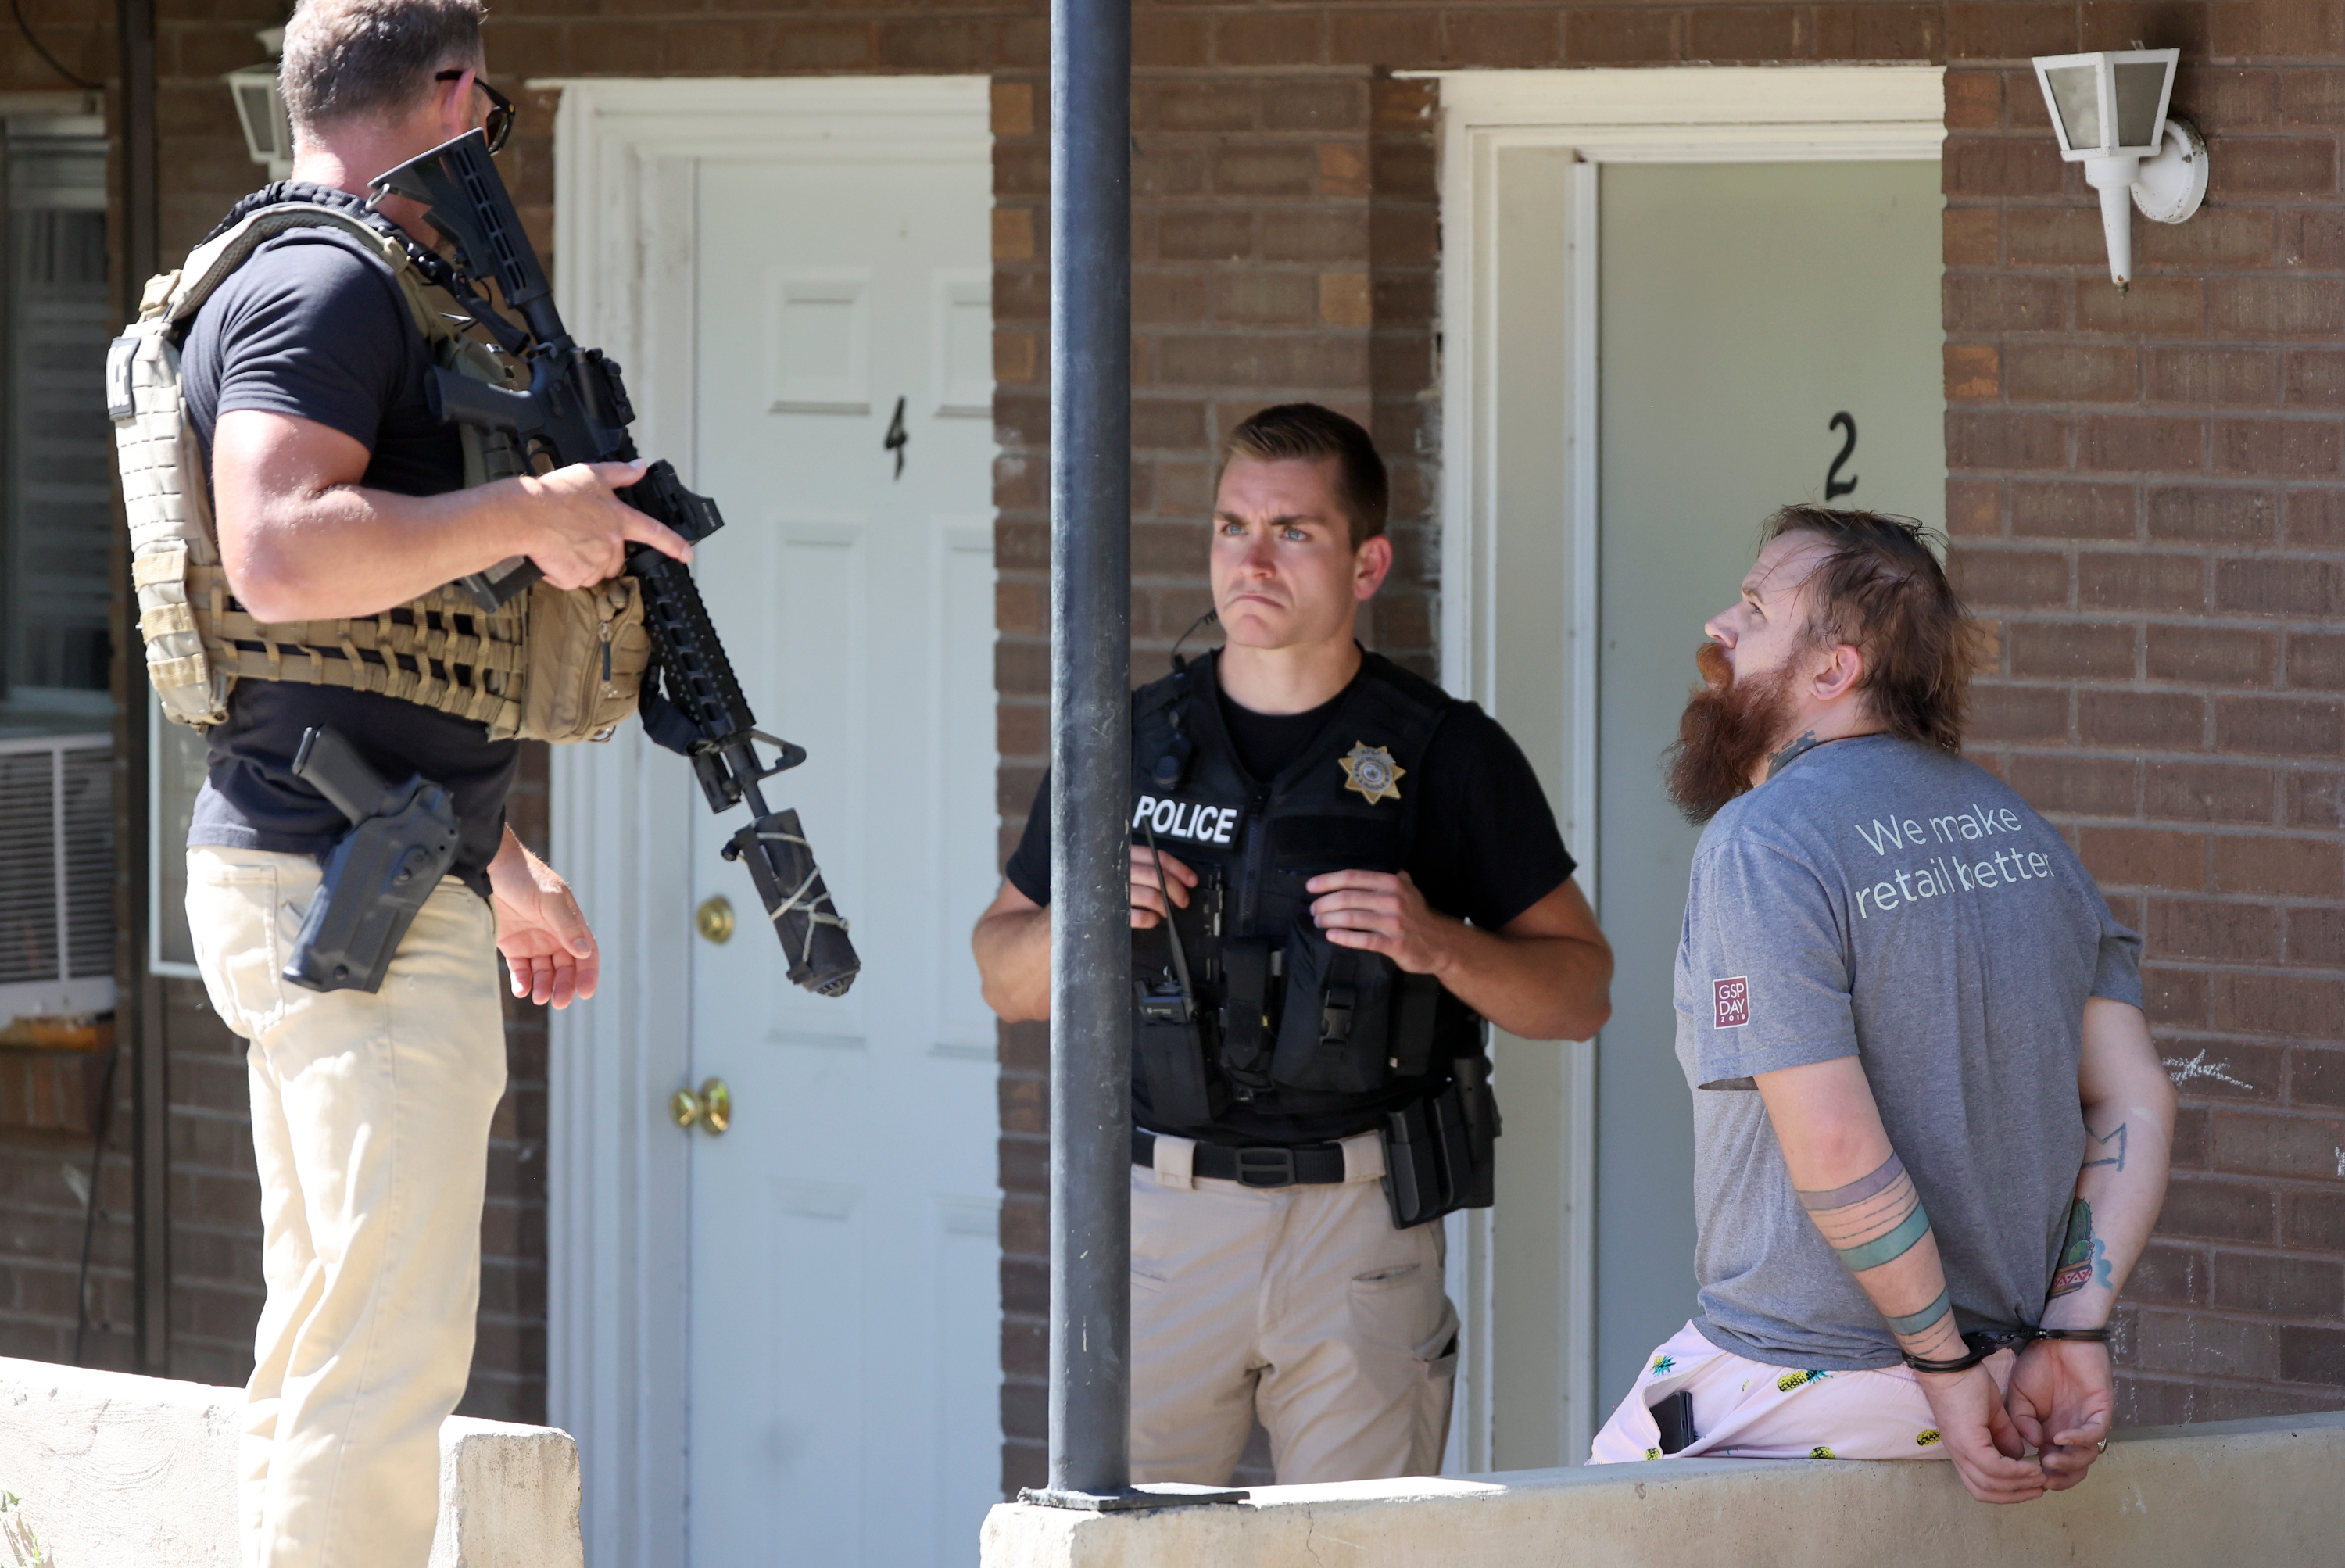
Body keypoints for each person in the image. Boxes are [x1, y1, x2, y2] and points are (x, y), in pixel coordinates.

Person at [161, 2, 689, 1563]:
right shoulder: (332, 284)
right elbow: (275, 554)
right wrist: (532, 511)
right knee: (379, 1366)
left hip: (353, 856)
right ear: (457, 94)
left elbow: (351, 663)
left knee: (330, 1339)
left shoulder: (292, 263)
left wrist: (503, 861)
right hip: (351, 898)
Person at [972, 403, 1613, 1485]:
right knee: (1130, 1554)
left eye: (1293, 532)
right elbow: (1002, 973)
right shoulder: (1125, 740)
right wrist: (1078, 919)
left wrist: (1440, 944)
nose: (1252, 559)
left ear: (1368, 563)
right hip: (1163, 1224)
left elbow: (1581, 991)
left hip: (1357, 1232)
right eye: (1232, 527)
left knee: (1359, 1549)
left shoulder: (1451, 755)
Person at [1588, 507, 2175, 1505]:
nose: (1718, 624)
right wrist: (2072, 1332)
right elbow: (2137, 1102)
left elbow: (1835, 1143)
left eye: (1756, 608)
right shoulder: (2025, 832)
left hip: (1807, 1385)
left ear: (1834, 671)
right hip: (2004, 1384)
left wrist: (1944, 1368)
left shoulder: (1763, 841)